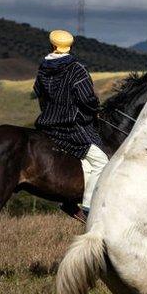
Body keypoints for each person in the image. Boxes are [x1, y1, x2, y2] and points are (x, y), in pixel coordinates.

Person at [33, 30, 107, 222]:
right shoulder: (77, 69)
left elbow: (39, 94)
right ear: (70, 46)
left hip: (47, 126)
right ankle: (89, 208)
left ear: (52, 46)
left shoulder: (43, 68)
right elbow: (86, 99)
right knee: (101, 161)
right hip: (72, 128)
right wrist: (95, 109)